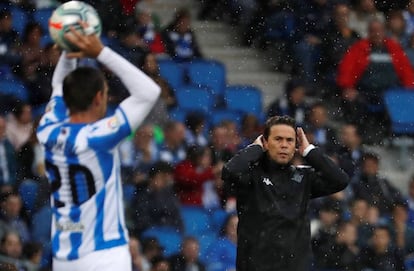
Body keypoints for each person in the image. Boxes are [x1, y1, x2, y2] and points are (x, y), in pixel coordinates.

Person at [35, 21, 160, 271]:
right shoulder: (99, 137)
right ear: (99, 98)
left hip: (65, 256)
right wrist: (100, 51)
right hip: (103, 256)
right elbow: (148, 91)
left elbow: (60, 84)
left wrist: (70, 49)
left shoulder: (47, 129)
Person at [221, 115, 349, 270]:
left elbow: (340, 180)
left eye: (289, 140)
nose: (284, 145)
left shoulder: (303, 177)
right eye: (278, 139)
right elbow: (229, 172)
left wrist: (309, 150)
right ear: (266, 143)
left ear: (296, 145)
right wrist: (255, 148)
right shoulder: (251, 175)